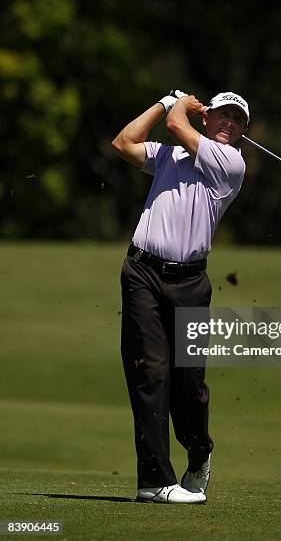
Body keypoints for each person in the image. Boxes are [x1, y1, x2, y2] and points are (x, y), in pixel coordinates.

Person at [112, 89, 249, 504]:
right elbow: (123, 143)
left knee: (188, 384)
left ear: (243, 132)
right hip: (143, 274)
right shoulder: (169, 157)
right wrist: (161, 101)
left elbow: (175, 124)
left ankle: (199, 452)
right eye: (221, 115)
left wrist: (179, 107)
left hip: (189, 285)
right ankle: (154, 481)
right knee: (150, 374)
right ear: (206, 119)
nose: (228, 123)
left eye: (237, 119)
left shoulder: (231, 164)